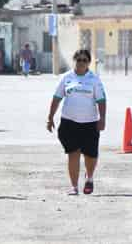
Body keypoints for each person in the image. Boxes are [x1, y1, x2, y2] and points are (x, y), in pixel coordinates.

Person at [46, 49, 107, 195]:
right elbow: (57, 97)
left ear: (89, 63)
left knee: (90, 155)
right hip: (69, 122)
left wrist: (102, 119)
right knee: (73, 153)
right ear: (74, 61)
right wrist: (50, 117)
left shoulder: (94, 80)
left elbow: (102, 101)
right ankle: (74, 186)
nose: (81, 63)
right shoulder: (66, 78)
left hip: (90, 123)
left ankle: (89, 177)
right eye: (78, 60)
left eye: (84, 60)